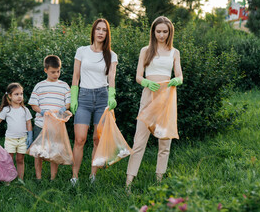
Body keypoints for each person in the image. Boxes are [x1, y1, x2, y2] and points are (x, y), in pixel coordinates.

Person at [125, 16, 183, 189]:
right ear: (153, 32)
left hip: (167, 97)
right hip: (149, 96)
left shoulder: (174, 52)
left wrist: (177, 80)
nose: (162, 35)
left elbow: (180, 75)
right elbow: (138, 76)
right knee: (139, 140)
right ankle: (128, 182)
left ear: (170, 32)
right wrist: (145, 82)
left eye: (165, 32)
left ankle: (159, 180)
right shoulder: (146, 50)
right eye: (158, 31)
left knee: (164, 142)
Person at [70, 18, 118, 186]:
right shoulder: (82, 51)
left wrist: (112, 96)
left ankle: (92, 176)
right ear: (93, 31)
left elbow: (111, 76)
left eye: (104, 30)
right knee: (79, 139)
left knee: (97, 140)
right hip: (83, 97)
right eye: (98, 29)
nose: (100, 32)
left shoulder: (111, 55)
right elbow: (76, 76)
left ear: (107, 34)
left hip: (102, 98)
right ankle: (74, 177)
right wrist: (73, 97)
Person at [28, 55, 71, 181]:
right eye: (53, 72)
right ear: (45, 70)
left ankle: (53, 178)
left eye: (58, 71)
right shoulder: (40, 86)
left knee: (54, 152)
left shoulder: (64, 85)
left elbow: (68, 103)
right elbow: (33, 104)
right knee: (38, 152)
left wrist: (64, 108)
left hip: (56, 125)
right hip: (41, 124)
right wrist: (42, 111)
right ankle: (38, 178)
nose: (56, 74)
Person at [0, 82, 33, 183]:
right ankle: (8, 179)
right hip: (10, 140)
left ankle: (20, 179)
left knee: (20, 160)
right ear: (9, 96)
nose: (20, 96)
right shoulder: (6, 110)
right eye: (16, 94)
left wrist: (30, 135)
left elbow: (29, 123)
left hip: (22, 139)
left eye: (21, 94)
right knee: (8, 160)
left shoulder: (25, 110)